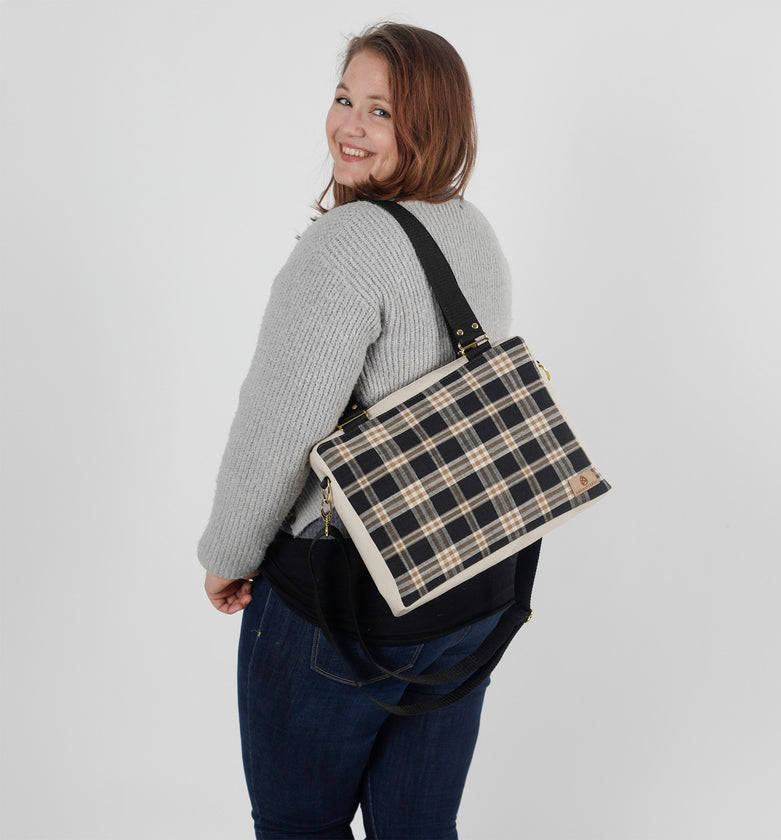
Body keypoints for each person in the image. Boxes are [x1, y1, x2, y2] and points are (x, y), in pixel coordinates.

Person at [199, 22, 522, 839]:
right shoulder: (472, 229)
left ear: (430, 125)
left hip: (342, 602)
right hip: (470, 585)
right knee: (418, 829)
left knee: (297, 828)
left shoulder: (344, 249)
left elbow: (276, 430)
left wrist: (227, 558)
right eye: (346, 98)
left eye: (382, 111)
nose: (350, 125)